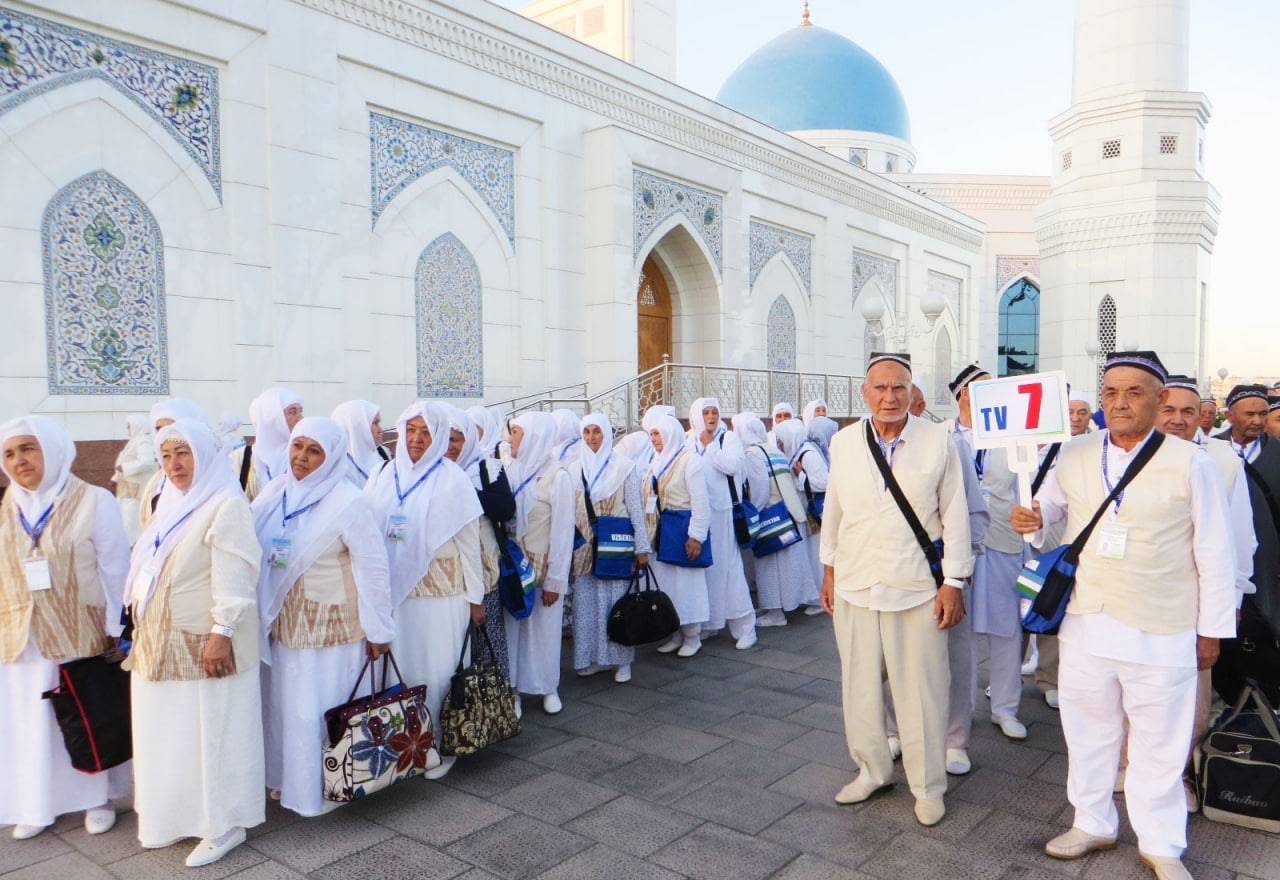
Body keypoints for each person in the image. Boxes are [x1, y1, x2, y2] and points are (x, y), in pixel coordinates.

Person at [1011, 352, 1235, 879]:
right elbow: (1046, 523)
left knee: (1159, 739)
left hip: (1163, 625)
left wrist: (1212, 630)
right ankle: (1092, 822)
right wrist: (1032, 519)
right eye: (1111, 392)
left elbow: (1215, 551)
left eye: (1134, 392)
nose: (1119, 402)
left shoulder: (1190, 462)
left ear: (1159, 401)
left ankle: (1161, 843)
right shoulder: (1074, 452)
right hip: (1087, 619)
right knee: (1088, 730)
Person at [820, 352, 972, 827]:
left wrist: (954, 582)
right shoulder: (844, 443)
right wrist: (829, 570)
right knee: (860, 687)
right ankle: (872, 769)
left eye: (899, 387)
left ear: (912, 392)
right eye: (880, 388)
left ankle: (928, 786)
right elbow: (834, 511)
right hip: (856, 582)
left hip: (916, 587)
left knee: (922, 690)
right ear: (864, 393)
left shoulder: (937, 441)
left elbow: (956, 516)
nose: (889, 397)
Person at [124, 419, 264, 867]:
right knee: (169, 731)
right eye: (166, 456)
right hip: (159, 640)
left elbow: (236, 577)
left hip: (205, 642)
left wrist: (221, 634)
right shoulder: (172, 503)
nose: (174, 464)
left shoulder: (225, 505)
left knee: (213, 730)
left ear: (204, 454)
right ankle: (176, 816)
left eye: (183, 453)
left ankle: (224, 823)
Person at [253, 417, 394, 817]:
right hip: (284, 622)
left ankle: (322, 787)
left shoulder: (349, 501)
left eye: (314, 451)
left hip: (330, 626)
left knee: (318, 708)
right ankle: (287, 780)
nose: (301, 458)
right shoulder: (276, 491)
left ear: (331, 456)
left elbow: (373, 568)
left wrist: (378, 628)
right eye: (298, 447)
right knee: (285, 708)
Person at [0, 416, 130, 840]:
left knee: (83, 714)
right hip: (22, 632)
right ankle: (38, 803)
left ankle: (97, 799)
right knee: (31, 720)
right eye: (10, 453)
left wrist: (118, 627)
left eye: (28, 448)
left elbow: (115, 568)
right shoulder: (8, 506)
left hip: (77, 630)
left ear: (52, 449)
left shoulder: (94, 500)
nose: (19, 460)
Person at [364, 402, 484, 777]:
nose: (416, 440)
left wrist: (476, 598)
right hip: (396, 594)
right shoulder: (384, 473)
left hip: (441, 593)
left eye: (426, 432)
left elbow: (470, 544)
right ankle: (407, 742)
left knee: (437, 669)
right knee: (406, 668)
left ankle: (441, 744)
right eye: (411, 430)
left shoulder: (453, 479)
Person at [1157, 375, 1257, 808]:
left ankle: (1182, 774)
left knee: (1192, 693)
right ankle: (1130, 765)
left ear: (1203, 416)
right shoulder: (1131, 453)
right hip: (1143, 595)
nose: (1178, 420)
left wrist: (1230, 601)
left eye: (1188, 411)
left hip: (1197, 599)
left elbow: (1240, 538)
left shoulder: (1220, 459)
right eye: (1170, 410)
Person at [948, 364, 1028, 742]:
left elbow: (1026, 487)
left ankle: (1005, 708)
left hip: (1001, 538)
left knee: (1005, 627)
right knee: (954, 633)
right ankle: (955, 713)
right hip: (955, 542)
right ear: (964, 394)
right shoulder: (941, 436)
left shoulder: (1012, 436)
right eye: (985, 389)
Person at [571, 413, 652, 682]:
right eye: (587, 432)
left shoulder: (624, 467)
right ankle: (594, 657)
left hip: (616, 544)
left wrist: (642, 548)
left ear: (607, 434)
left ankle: (621, 661)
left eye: (597, 432)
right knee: (587, 605)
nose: (592, 438)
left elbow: (636, 510)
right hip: (586, 547)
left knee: (616, 602)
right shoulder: (575, 468)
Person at [504, 411, 575, 714]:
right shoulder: (508, 471)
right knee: (513, 631)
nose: (511, 439)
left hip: (542, 566)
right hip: (513, 567)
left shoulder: (557, 476)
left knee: (543, 630)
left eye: (517, 433)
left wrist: (555, 579)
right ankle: (514, 690)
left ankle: (547, 686)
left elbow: (562, 531)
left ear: (534, 435)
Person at [1214, 384, 1280, 695]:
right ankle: (1225, 689)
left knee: (1265, 618)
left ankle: (1262, 691)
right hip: (1221, 555)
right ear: (1229, 416)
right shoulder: (1208, 451)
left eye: (1263, 413)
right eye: (1249, 414)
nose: (1257, 420)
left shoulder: (1277, 453)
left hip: (1268, 556)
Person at [686, 399, 757, 651]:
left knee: (730, 569)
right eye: (705, 412)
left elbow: (734, 466)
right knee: (708, 571)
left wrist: (711, 447)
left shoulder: (728, 439)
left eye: (715, 411)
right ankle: (712, 622)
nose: (711, 416)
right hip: (700, 513)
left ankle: (745, 626)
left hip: (724, 511)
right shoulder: (689, 440)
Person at [454, 407, 516, 684]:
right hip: (448, 572)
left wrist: (468, 493)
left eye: (457, 439)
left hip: (484, 565)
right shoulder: (435, 472)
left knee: (489, 633)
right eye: (446, 439)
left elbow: (505, 509)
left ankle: (498, 700)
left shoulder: (487, 468)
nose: (450, 447)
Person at [735, 414, 814, 626]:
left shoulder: (752, 454)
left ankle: (775, 613)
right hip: (788, 514)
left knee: (769, 568)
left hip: (771, 517)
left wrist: (754, 514)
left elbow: (759, 491)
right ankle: (782, 606)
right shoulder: (773, 450)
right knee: (788, 568)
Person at [645, 414, 712, 657]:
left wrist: (696, 536)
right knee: (668, 584)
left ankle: (693, 635)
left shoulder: (690, 461)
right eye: (651, 434)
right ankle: (674, 631)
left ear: (670, 433)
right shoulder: (655, 461)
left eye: (658, 433)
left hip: (683, 529)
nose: (654, 439)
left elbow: (701, 502)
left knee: (687, 584)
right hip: (663, 531)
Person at [773, 418, 825, 619]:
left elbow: (824, 482)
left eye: (781, 438)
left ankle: (820, 599)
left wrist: (801, 475)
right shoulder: (796, 453)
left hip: (814, 511)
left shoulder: (807, 455)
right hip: (805, 510)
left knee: (815, 554)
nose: (780, 443)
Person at [137, 398, 208, 532]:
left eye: (172, 428)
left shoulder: (217, 482)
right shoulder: (157, 482)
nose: (164, 435)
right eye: (159, 429)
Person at [235, 388, 304, 499]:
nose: (300, 418)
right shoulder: (239, 459)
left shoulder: (305, 458)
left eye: (300, 411)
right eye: (293, 412)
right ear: (272, 417)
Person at [113, 414, 157, 544]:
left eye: (129, 426)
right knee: (124, 519)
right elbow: (122, 463)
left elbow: (148, 461)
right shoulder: (134, 441)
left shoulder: (144, 441)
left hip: (136, 490)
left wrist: (125, 468)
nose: (128, 429)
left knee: (131, 522)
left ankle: (134, 548)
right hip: (127, 489)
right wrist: (115, 478)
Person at [331, 400, 387, 487]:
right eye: (375, 423)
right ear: (357, 427)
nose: (380, 430)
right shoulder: (338, 468)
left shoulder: (382, 454)